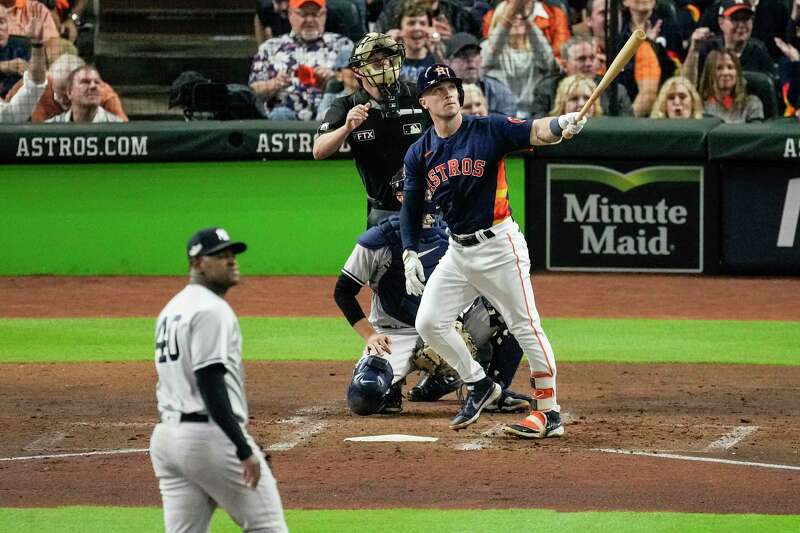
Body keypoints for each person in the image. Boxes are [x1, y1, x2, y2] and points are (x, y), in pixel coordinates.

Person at [400, 63, 586, 436]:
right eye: (438, 89)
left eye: (452, 86)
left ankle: (549, 412)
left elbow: (536, 130)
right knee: (429, 322)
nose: (448, 93)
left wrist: (562, 124)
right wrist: (408, 252)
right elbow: (412, 206)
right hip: (458, 251)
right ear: (424, 101)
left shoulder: (487, 128)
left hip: (499, 245)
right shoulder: (420, 152)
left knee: (525, 325)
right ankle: (481, 384)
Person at [338, 172, 532, 415]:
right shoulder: (379, 240)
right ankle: (396, 388)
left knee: (509, 312)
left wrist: (463, 322)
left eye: (431, 189)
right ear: (400, 195)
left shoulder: (456, 232)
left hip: (445, 327)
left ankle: (491, 392)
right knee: (364, 397)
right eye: (420, 189)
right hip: (395, 334)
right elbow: (343, 291)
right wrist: (369, 335)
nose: (429, 194)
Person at [149, 227, 288, 533]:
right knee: (268, 526)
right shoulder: (212, 310)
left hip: (167, 439)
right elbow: (209, 381)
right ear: (198, 263)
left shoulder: (172, 309)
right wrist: (242, 447)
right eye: (220, 256)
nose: (231, 261)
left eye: (232, 254)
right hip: (209, 437)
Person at [313, 32, 430, 228]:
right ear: (358, 70)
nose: (385, 65)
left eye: (390, 60)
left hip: (427, 205)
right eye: (376, 62)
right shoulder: (346, 105)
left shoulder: (419, 95)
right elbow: (318, 151)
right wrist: (346, 128)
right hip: (381, 210)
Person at [249, 0, 352, 120]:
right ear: (290, 14)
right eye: (303, 14)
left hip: (329, 118)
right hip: (283, 120)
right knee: (280, 114)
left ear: (324, 15)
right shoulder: (270, 47)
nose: (309, 20)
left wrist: (335, 79)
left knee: (330, 110)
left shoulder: (343, 45)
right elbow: (253, 93)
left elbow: (361, 87)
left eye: (315, 14)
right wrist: (275, 83)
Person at [482, 0, 557, 118]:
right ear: (498, 20)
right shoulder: (487, 47)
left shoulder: (536, 48)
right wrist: (509, 16)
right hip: (501, 115)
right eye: (512, 15)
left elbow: (548, 63)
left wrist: (527, 19)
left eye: (520, 16)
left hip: (535, 115)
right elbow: (491, 54)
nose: (516, 17)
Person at [6, 53, 127, 122]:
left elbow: (126, 135)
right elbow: (7, 116)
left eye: (67, 94)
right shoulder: (34, 86)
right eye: (58, 94)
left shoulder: (101, 95)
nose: (64, 100)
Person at [530, 36, 632, 118]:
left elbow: (626, 126)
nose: (588, 64)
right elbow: (538, 125)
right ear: (564, 65)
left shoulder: (615, 90)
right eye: (581, 59)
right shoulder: (547, 88)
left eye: (592, 58)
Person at [683, 0, 777, 86]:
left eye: (746, 19)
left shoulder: (759, 51)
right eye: (735, 19)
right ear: (721, 22)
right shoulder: (708, 49)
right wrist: (694, 50)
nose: (741, 25)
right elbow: (686, 86)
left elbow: (771, 90)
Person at [445, 31, 518, 116]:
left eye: (475, 53)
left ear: (481, 59)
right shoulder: (439, 93)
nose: (470, 59)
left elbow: (509, 124)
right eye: (462, 55)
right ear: (447, 63)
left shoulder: (499, 90)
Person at [0, 7, 46, 123]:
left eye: (1, 22)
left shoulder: (22, 47)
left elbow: (35, 85)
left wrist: (37, 45)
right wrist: (3, 66)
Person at [699, 48, 764, 123]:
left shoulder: (752, 104)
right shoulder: (700, 105)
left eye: (730, 67)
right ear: (709, 73)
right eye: (719, 68)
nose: (725, 73)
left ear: (737, 73)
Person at [388, 0, 445, 84]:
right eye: (411, 23)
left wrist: (437, 54)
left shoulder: (437, 57)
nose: (417, 28)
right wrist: (385, 50)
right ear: (399, 28)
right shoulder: (390, 58)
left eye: (422, 23)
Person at [46, 65, 124, 122]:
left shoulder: (119, 128)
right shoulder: (50, 128)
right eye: (85, 82)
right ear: (69, 92)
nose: (93, 86)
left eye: (97, 82)